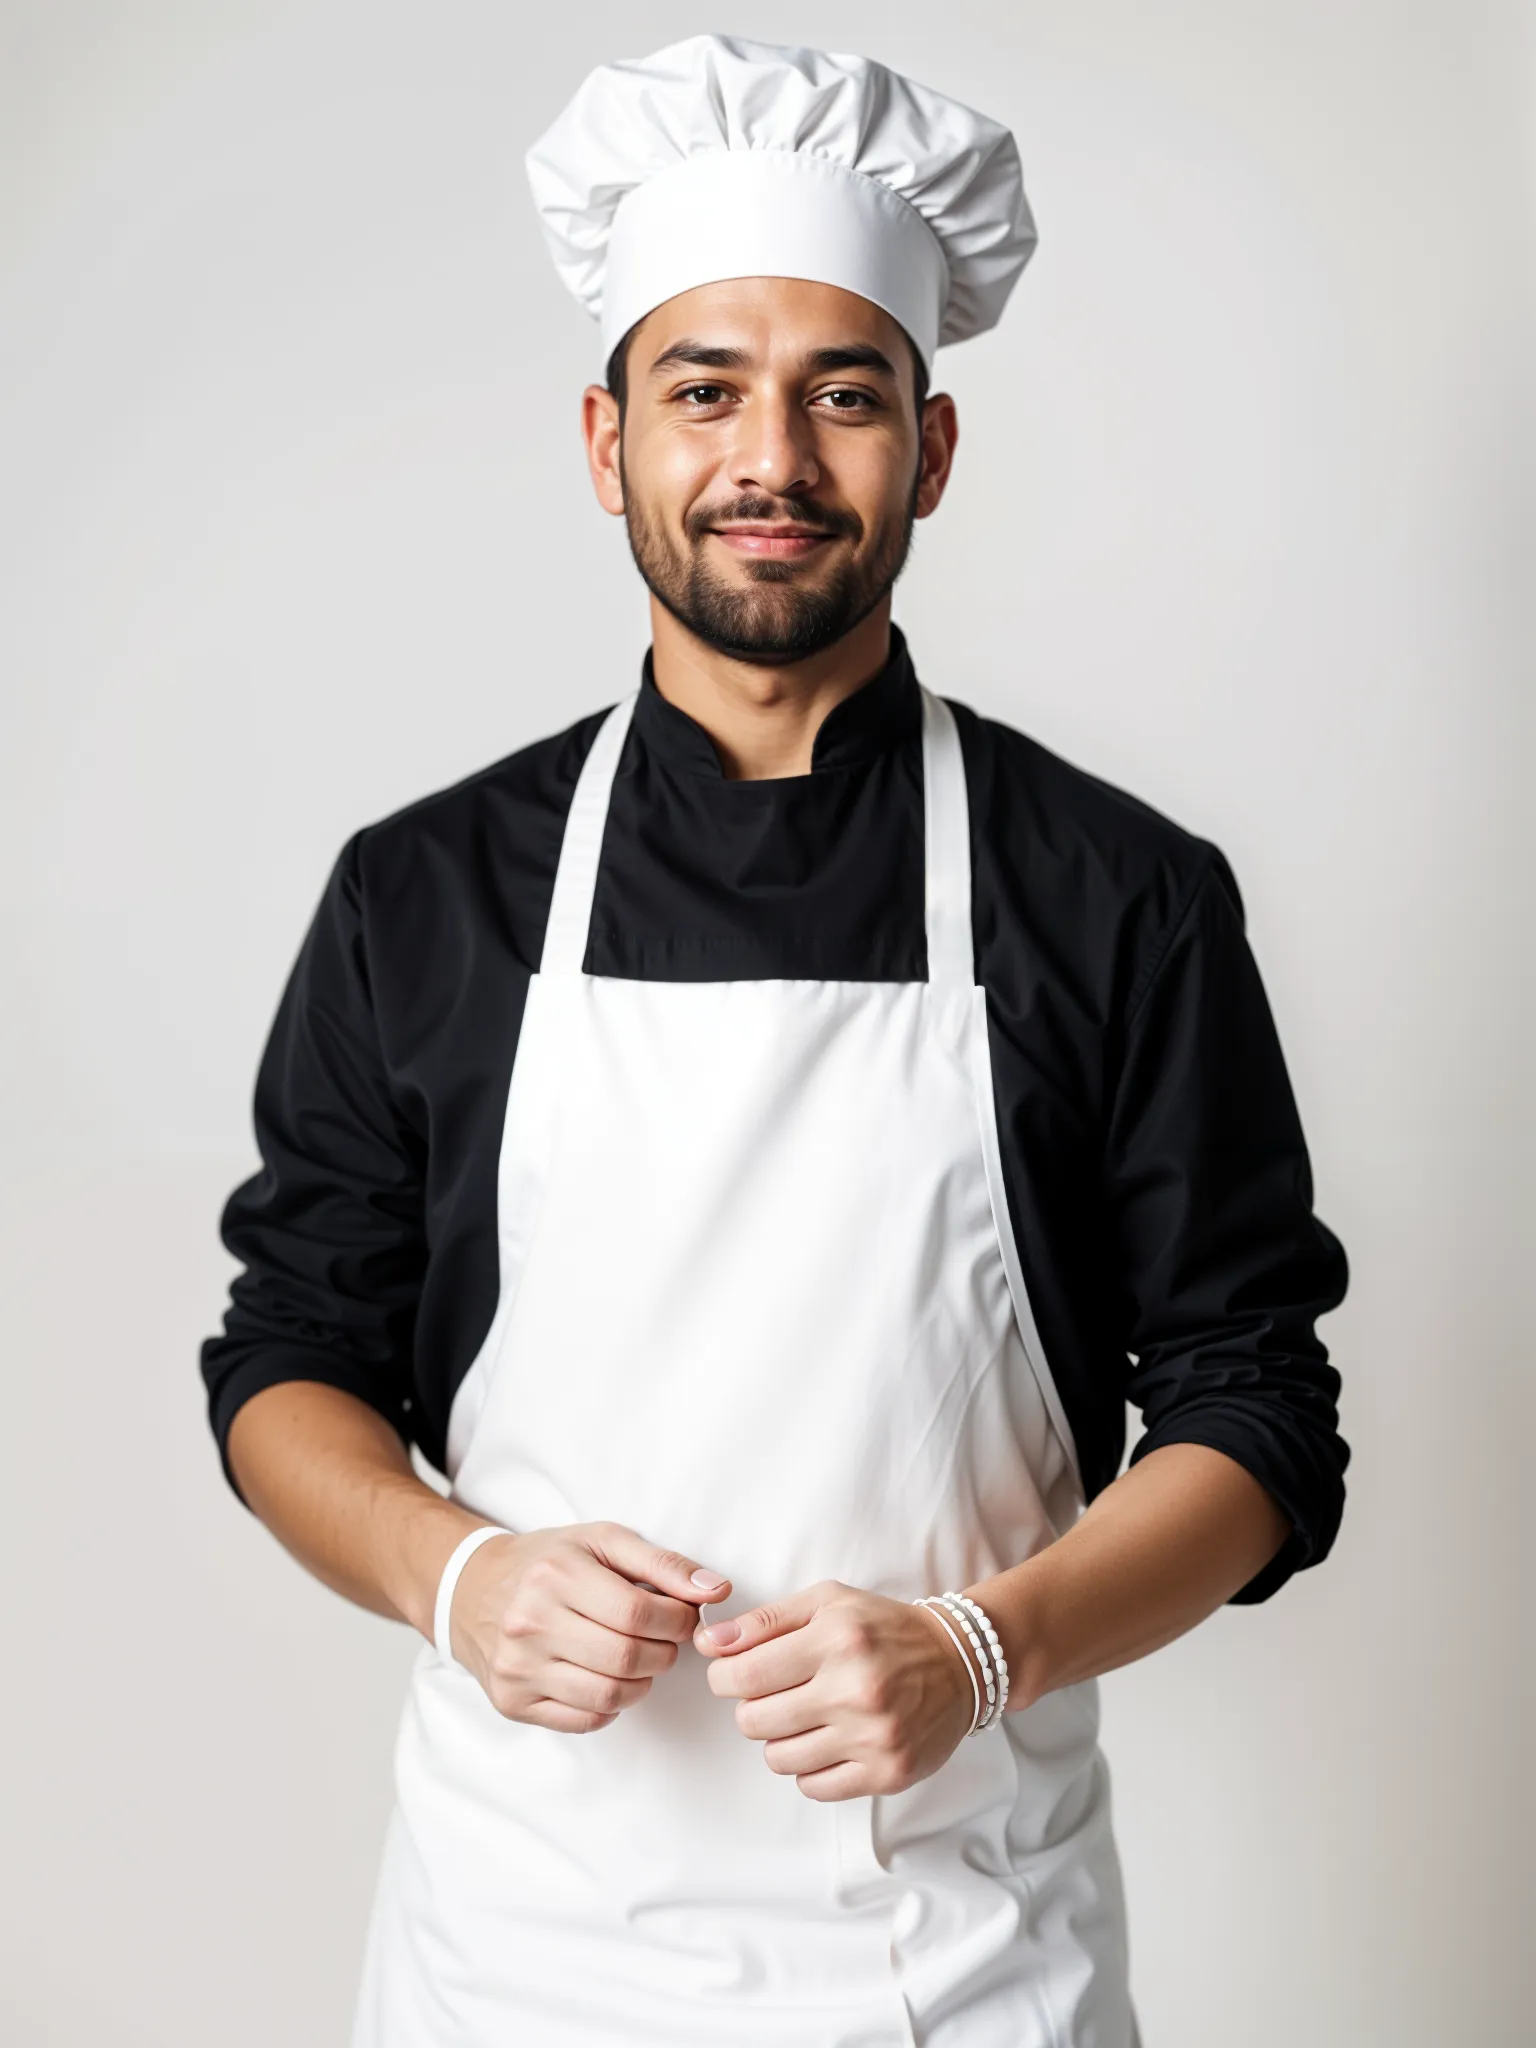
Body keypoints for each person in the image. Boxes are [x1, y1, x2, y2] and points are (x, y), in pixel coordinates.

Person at [200, 34, 1349, 2048]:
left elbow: (1257, 1417)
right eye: (704, 387)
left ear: (935, 445)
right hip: (512, 1954)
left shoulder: (1122, 895)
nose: (774, 460)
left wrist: (987, 1647)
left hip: (962, 1954)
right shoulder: (427, 892)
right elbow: (290, 1354)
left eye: (846, 392)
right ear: (602, 436)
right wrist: (457, 1579)